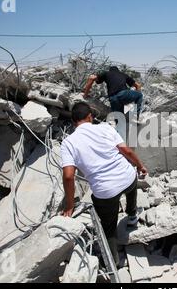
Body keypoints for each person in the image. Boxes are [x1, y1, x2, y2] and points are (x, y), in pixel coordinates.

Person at [60, 102, 148, 266]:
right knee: (131, 185)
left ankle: (113, 261)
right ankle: (132, 215)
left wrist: (69, 205)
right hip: (127, 177)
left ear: (73, 122)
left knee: (108, 227)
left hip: (105, 191)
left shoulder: (68, 143)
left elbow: (68, 176)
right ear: (90, 117)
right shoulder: (105, 128)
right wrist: (140, 166)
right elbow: (127, 151)